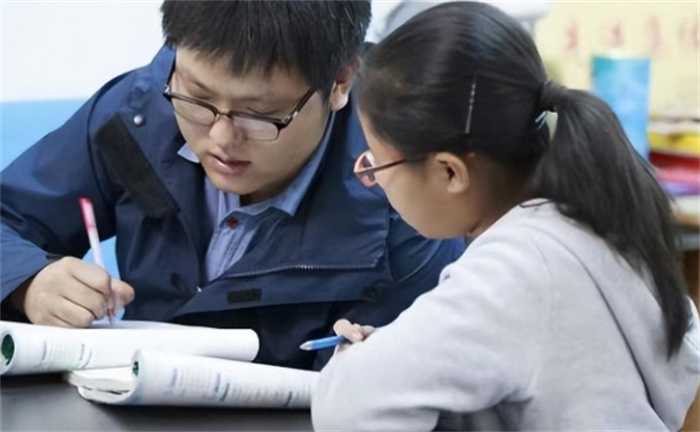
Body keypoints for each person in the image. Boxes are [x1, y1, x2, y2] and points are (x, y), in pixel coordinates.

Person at [0, 1, 464, 370]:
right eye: (198, 97)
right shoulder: (138, 113)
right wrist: (28, 282)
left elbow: (417, 385)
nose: (221, 138)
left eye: (259, 114)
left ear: (340, 81)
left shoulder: (407, 198)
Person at [312, 2, 700, 430]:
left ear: (449, 172)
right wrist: (395, 351)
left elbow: (348, 408)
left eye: (377, 164)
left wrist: (358, 359)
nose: (372, 179)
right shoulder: (589, 219)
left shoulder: (509, 272)